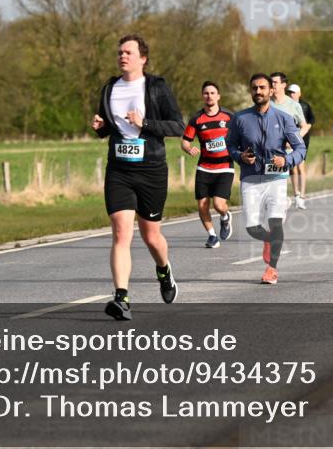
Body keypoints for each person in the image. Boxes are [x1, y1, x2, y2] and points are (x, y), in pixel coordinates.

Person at [92, 35, 184, 321]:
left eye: (128, 52)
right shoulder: (110, 88)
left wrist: (144, 123)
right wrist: (101, 127)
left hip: (152, 170)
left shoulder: (157, 87)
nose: (122, 56)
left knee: (151, 235)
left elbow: (178, 125)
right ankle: (122, 297)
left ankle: (164, 270)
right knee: (121, 233)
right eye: (120, 52)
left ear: (142, 58)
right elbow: (110, 127)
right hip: (119, 169)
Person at [227, 73, 306, 284]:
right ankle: (270, 239)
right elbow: (230, 146)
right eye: (255, 88)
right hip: (250, 178)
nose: (259, 92)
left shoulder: (284, 118)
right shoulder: (240, 118)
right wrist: (240, 156)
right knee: (252, 228)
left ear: (271, 90)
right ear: (251, 91)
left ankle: (272, 269)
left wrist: (287, 160)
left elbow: (301, 148)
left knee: (275, 222)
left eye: (263, 88)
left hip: (276, 178)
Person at [181, 81, 234, 249]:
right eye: (206, 93)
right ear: (202, 96)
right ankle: (212, 236)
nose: (209, 96)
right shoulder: (196, 119)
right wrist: (189, 149)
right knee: (203, 205)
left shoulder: (229, 117)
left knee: (218, 204)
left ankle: (225, 217)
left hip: (225, 167)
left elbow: (242, 135)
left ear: (218, 96)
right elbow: (185, 141)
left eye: (212, 93)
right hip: (204, 167)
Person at [269, 73, 310, 210]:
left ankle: (287, 200)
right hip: (268, 150)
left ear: (283, 85)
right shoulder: (266, 103)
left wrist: (294, 140)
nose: (272, 84)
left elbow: (304, 126)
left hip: (285, 151)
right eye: (271, 82)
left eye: (275, 82)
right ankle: (283, 201)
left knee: (278, 183)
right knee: (270, 186)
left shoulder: (293, 105)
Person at [288, 84, 314, 208]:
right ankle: (296, 194)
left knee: (301, 166)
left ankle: (302, 195)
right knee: (293, 168)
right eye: (290, 92)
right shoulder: (285, 105)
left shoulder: (305, 106)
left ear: (299, 93)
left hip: (302, 141)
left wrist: (301, 133)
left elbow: (310, 122)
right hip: (288, 141)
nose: (291, 94)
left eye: (294, 92)